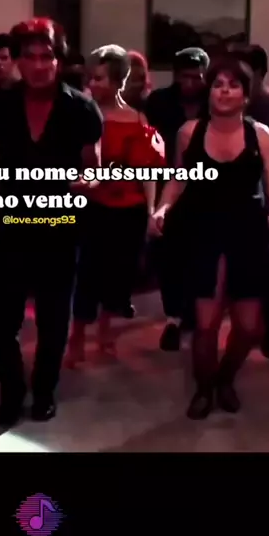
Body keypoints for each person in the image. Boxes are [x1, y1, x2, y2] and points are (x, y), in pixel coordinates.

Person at [0, 17, 103, 426]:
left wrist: (82, 182)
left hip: (60, 225)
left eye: (46, 56)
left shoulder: (81, 107)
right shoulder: (1, 106)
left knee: (53, 320)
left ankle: (44, 390)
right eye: (29, 57)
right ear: (17, 61)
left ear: (59, 60)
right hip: (9, 223)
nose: (39, 65)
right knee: (1, 322)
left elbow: (94, 170)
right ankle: (12, 392)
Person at [149, 57, 269, 419]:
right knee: (205, 325)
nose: (224, 91)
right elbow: (178, 179)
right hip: (204, 231)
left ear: (246, 95)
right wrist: (162, 209)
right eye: (218, 84)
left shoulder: (261, 136)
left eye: (233, 85)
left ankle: (226, 379)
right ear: (210, 92)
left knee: (249, 328)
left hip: (248, 234)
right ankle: (204, 388)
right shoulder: (190, 132)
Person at [66, 46, 165, 367]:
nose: (92, 84)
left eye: (99, 78)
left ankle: (105, 334)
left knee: (118, 276)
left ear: (118, 81)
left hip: (129, 211)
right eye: (90, 78)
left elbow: (147, 173)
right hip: (90, 207)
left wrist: (150, 212)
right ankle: (76, 337)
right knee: (85, 275)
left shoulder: (138, 119)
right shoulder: (80, 113)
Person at [146, 47, 210, 352]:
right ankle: (173, 317)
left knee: (201, 256)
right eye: (185, 76)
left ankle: (194, 315)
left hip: (206, 190)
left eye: (197, 77)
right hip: (167, 184)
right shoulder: (159, 102)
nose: (191, 83)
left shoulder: (215, 101)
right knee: (168, 256)